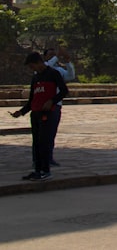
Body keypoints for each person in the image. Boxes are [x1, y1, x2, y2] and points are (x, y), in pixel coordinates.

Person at [10, 52, 69, 181]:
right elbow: (32, 99)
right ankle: (37, 170)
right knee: (36, 143)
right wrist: (21, 112)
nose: (32, 69)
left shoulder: (53, 74)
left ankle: (46, 170)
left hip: (47, 112)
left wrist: (52, 101)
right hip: (35, 112)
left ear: (38, 62)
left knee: (44, 142)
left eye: (32, 66)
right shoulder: (35, 78)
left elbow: (64, 91)